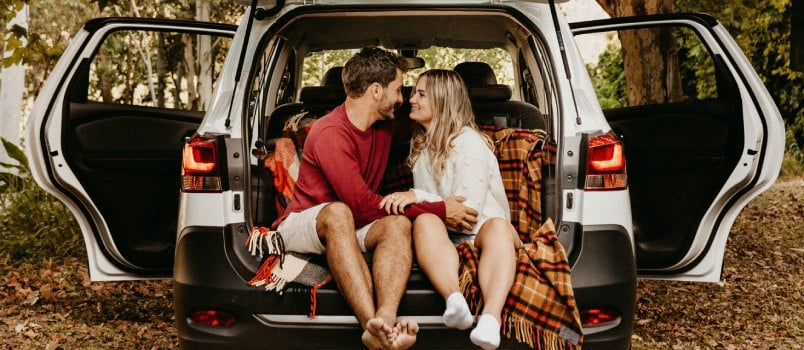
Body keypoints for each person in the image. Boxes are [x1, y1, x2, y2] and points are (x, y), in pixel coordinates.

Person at [272, 48, 479, 350]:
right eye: (398, 90)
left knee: (397, 224)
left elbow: (441, 116)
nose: (403, 99)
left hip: (352, 224)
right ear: (376, 90)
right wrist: (439, 208)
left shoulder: (387, 124)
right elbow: (362, 206)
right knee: (339, 212)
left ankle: (385, 320)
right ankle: (370, 326)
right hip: (306, 222)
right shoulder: (330, 132)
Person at [379, 69, 521, 350]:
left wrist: (414, 195)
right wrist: (421, 204)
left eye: (420, 94)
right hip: (446, 232)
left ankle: (490, 320)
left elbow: (466, 213)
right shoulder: (422, 144)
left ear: (442, 100)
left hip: (480, 229)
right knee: (424, 221)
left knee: (500, 228)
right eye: (412, 93)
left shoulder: (469, 142)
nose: (411, 99)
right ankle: (455, 301)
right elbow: (440, 212)